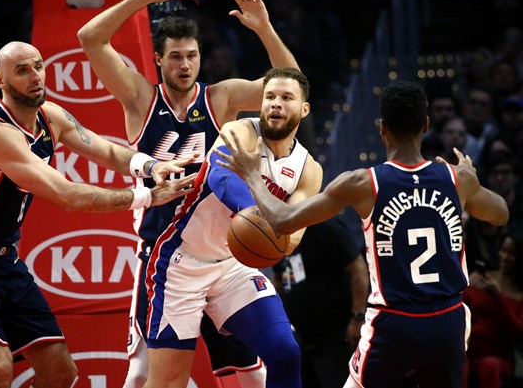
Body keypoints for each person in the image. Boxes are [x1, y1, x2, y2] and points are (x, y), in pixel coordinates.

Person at [77, 0, 300, 387]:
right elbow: (90, 38)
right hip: (169, 258)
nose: (185, 65)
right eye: (175, 57)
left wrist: (265, 29)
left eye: (192, 56)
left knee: (266, 366)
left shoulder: (221, 98)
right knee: (144, 376)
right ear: (158, 59)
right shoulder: (140, 98)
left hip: (227, 254)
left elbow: (290, 88)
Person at [0, 41, 196, 388]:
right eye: (22, 71)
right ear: (0, 81)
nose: (35, 76)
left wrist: (151, 165)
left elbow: (108, 151)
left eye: (38, 66)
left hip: (4, 261)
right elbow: (66, 196)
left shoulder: (50, 117)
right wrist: (146, 197)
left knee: (60, 371)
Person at [215, 80, 510, 388]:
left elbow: (281, 220)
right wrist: (473, 181)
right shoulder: (457, 179)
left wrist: (252, 174)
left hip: (395, 321)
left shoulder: (362, 183)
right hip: (448, 318)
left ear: (382, 128)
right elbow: (501, 214)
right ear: (425, 125)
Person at [141, 67, 322, 388]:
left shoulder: (308, 170)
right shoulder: (240, 131)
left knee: (285, 352)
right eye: (270, 97)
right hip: (182, 264)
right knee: (168, 382)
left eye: (286, 98)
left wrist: (256, 192)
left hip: (233, 266)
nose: (275, 103)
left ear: (304, 109)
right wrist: (257, 215)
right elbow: (221, 177)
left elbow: (289, 238)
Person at [273, 217, 369, 388]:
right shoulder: (282, 237)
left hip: (336, 335)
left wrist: (358, 317)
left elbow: (359, 271)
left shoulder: (324, 226)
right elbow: (281, 279)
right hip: (303, 338)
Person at [462, 235, 523, 388]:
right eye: (503, 250)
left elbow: (516, 330)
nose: (505, 256)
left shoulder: (519, 294)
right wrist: (467, 285)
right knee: (457, 361)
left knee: (489, 366)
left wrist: (498, 296)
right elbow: (462, 307)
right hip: (468, 349)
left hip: (497, 357)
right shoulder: (483, 278)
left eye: (511, 253)